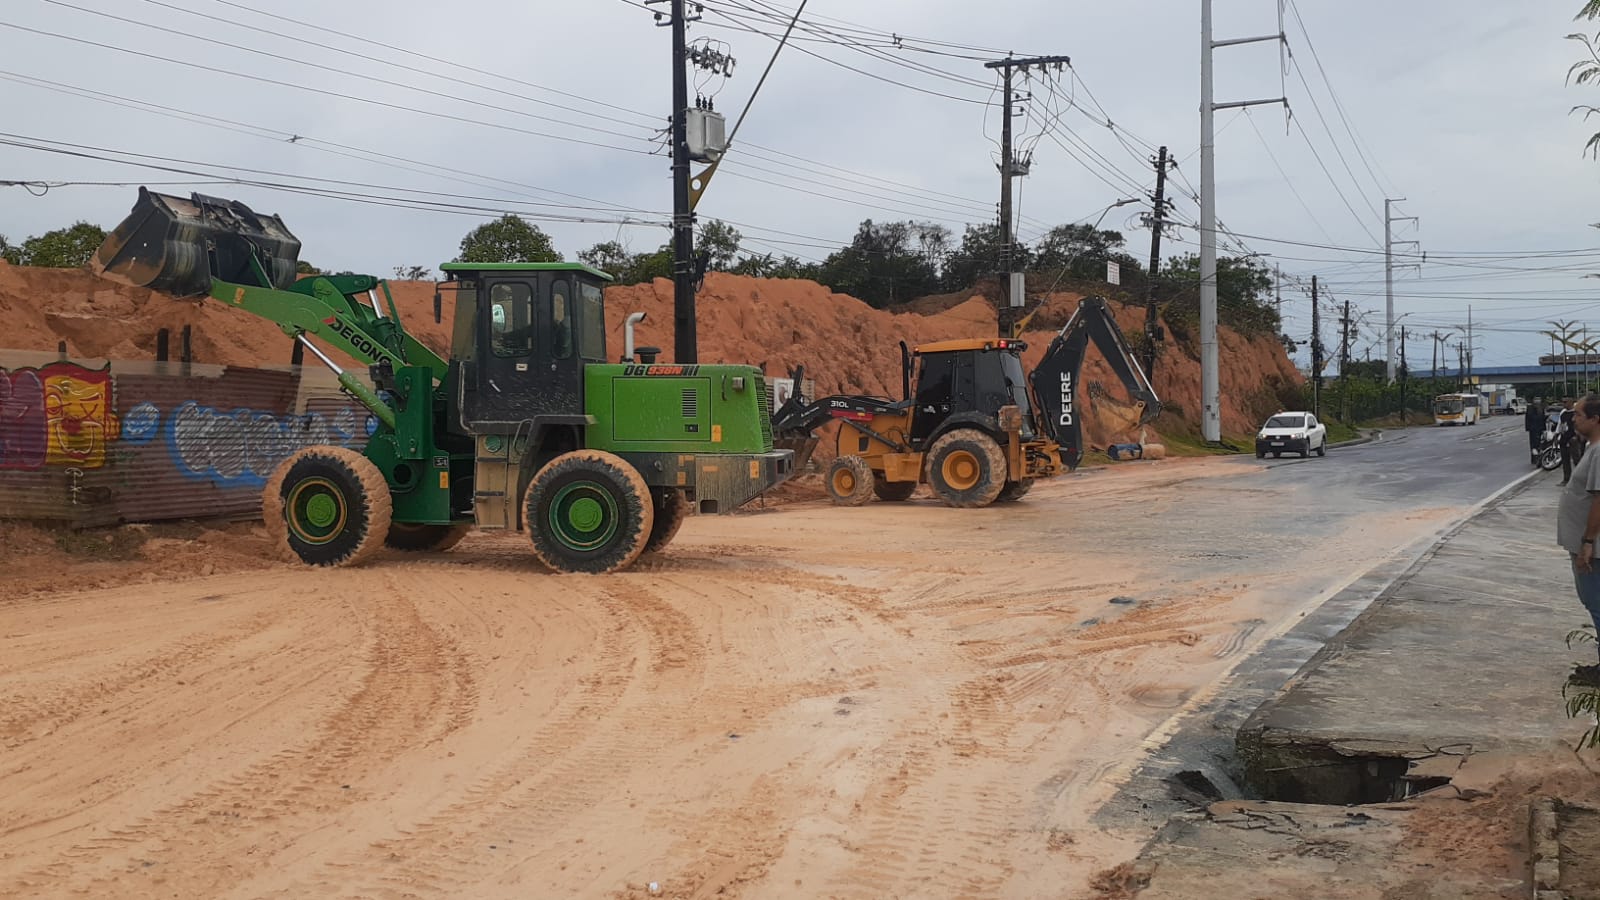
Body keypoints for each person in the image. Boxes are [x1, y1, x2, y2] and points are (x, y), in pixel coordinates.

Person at [1558, 392, 1600, 685]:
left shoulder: (1599, 452)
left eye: (1578, 415)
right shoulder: (1592, 448)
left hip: (1593, 549)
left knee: (1596, 603)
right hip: (1587, 545)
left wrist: (1587, 542)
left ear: (1596, 420)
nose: (1573, 419)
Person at [1526, 400, 1546, 466]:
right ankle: (1534, 459)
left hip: (1539, 429)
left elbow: (1543, 419)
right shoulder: (1530, 409)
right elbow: (1527, 419)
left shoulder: (1541, 409)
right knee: (1533, 445)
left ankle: (1539, 459)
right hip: (1533, 430)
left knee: (1540, 444)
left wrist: (1544, 428)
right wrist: (1528, 428)